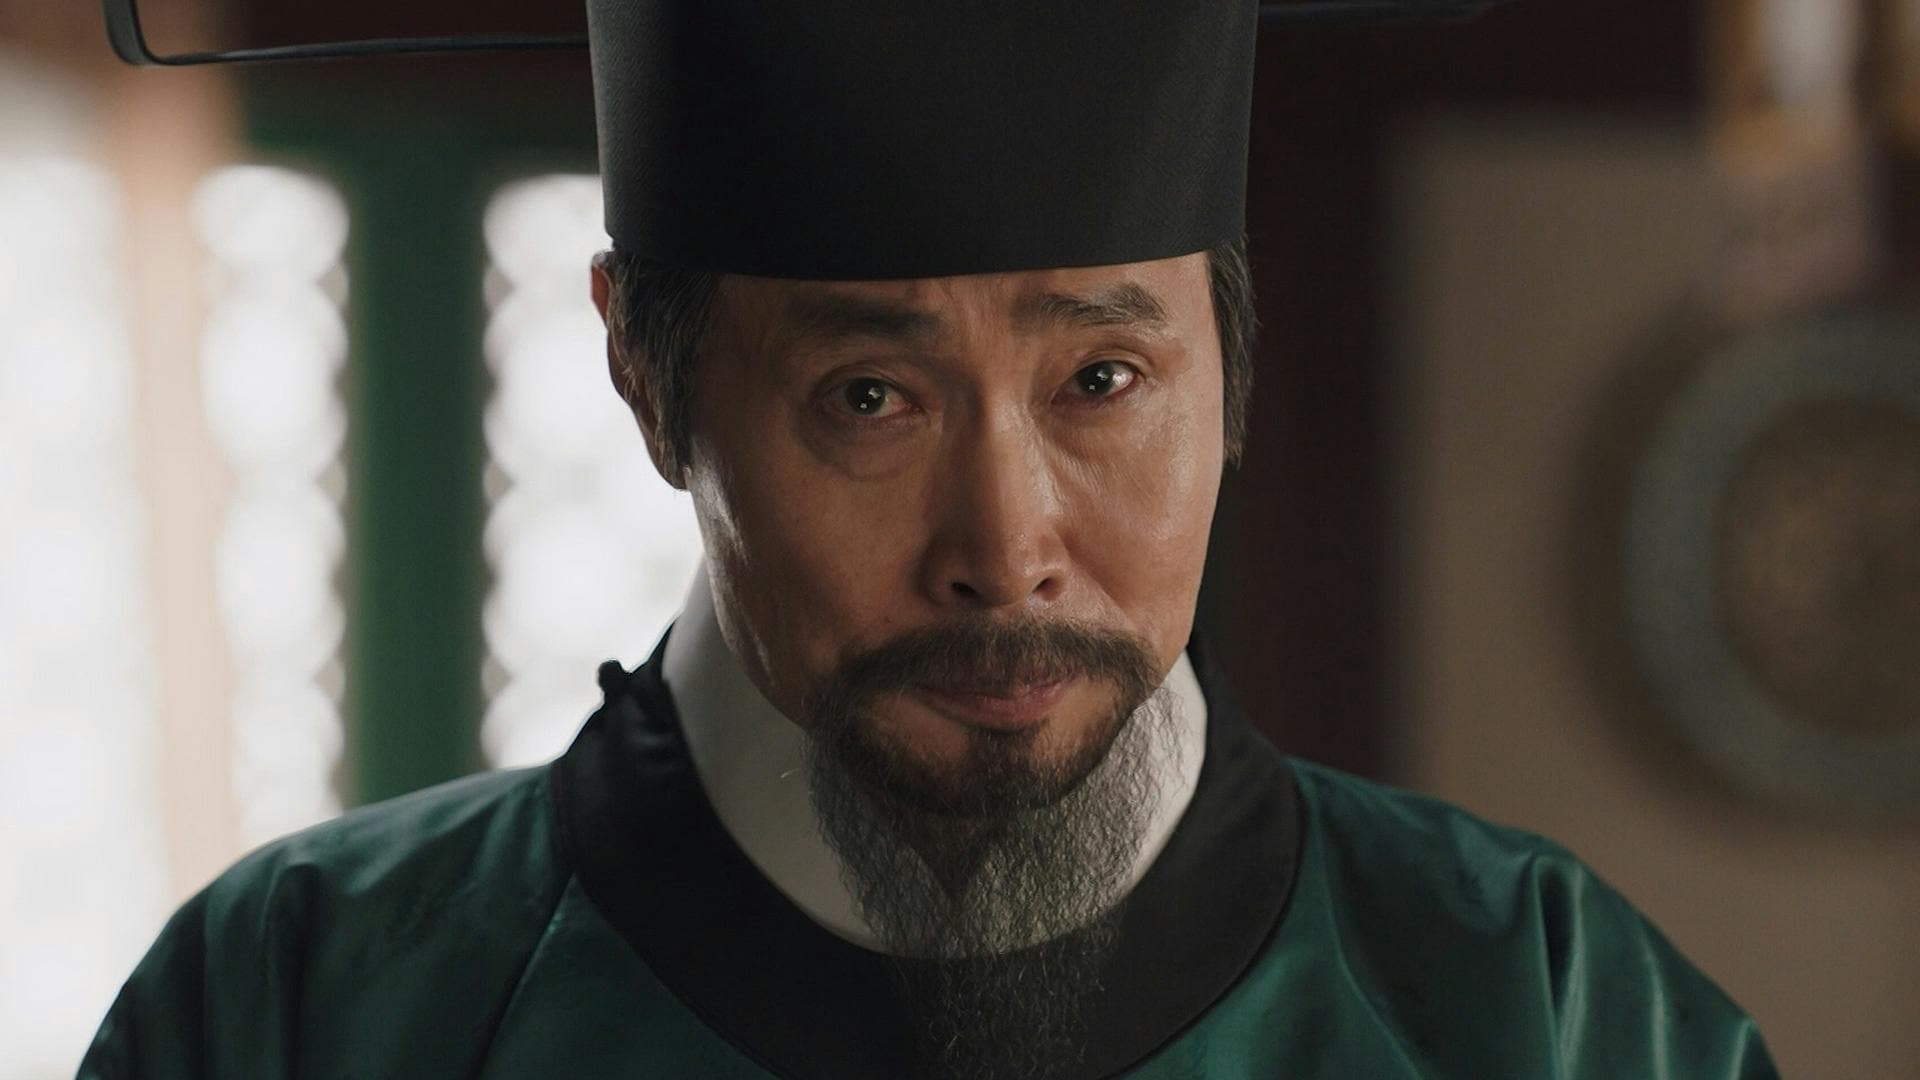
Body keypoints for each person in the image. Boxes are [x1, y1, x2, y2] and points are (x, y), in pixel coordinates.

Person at [82, 1, 1778, 1077]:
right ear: (646, 379)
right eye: (871, 398)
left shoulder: (1539, 1008)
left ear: (1233, 366)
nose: (1007, 547)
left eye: (1102, 381)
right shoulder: (300, 1008)